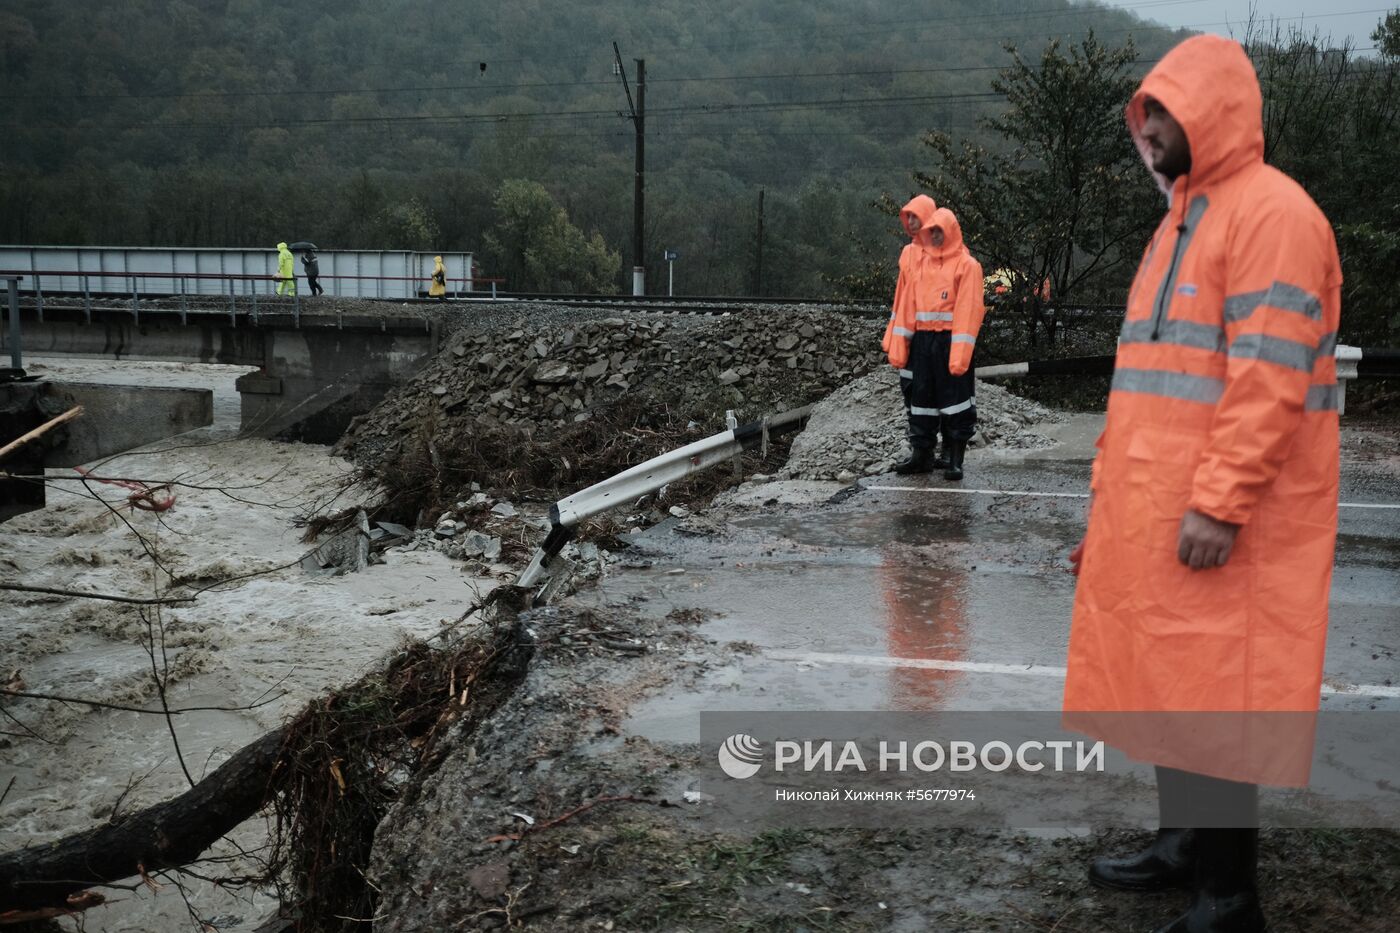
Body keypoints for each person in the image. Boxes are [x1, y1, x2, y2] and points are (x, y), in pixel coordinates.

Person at [1064, 34, 1342, 933]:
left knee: (1219, 692)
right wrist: (1110, 501)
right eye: (1143, 118)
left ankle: (1229, 897)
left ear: (1214, 110)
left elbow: (1269, 375)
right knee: (1171, 679)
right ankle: (1184, 840)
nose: (1148, 134)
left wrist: (1221, 501)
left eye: (1165, 116)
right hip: (1155, 506)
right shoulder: (1183, 218)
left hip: (1226, 515)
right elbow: (1147, 381)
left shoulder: (1273, 216)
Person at [883, 197, 986, 480]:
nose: (935, 235)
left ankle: (954, 458)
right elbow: (904, 305)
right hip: (922, 342)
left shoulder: (967, 265)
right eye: (933, 231)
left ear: (951, 231)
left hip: (950, 341)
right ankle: (922, 455)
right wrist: (898, 342)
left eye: (939, 230)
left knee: (955, 400)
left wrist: (960, 353)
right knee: (921, 399)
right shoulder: (921, 264)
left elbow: (969, 311)